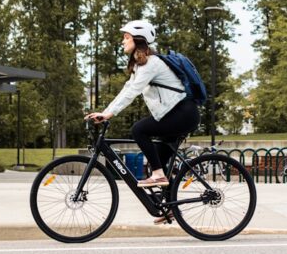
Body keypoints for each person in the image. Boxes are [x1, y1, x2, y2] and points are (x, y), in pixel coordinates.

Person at [85, 19, 200, 198]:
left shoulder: (151, 64)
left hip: (183, 113)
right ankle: (169, 206)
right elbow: (127, 89)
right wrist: (107, 112)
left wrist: (108, 114)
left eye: (126, 37)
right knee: (157, 162)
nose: (123, 41)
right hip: (177, 114)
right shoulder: (141, 65)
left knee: (139, 130)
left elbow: (133, 92)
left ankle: (159, 175)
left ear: (137, 39)